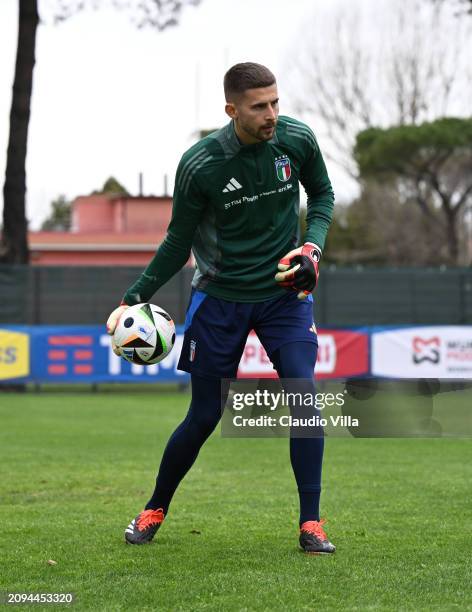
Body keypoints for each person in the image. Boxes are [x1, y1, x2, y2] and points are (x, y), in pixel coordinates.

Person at [106, 62, 335, 554]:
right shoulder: (201, 164)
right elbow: (177, 240)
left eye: (276, 102)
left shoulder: (297, 140)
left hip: (284, 295)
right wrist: (134, 296)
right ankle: (154, 508)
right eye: (259, 106)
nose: (272, 113)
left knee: (305, 400)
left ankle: (311, 523)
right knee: (205, 415)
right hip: (219, 297)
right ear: (232, 110)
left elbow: (322, 196)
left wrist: (311, 251)